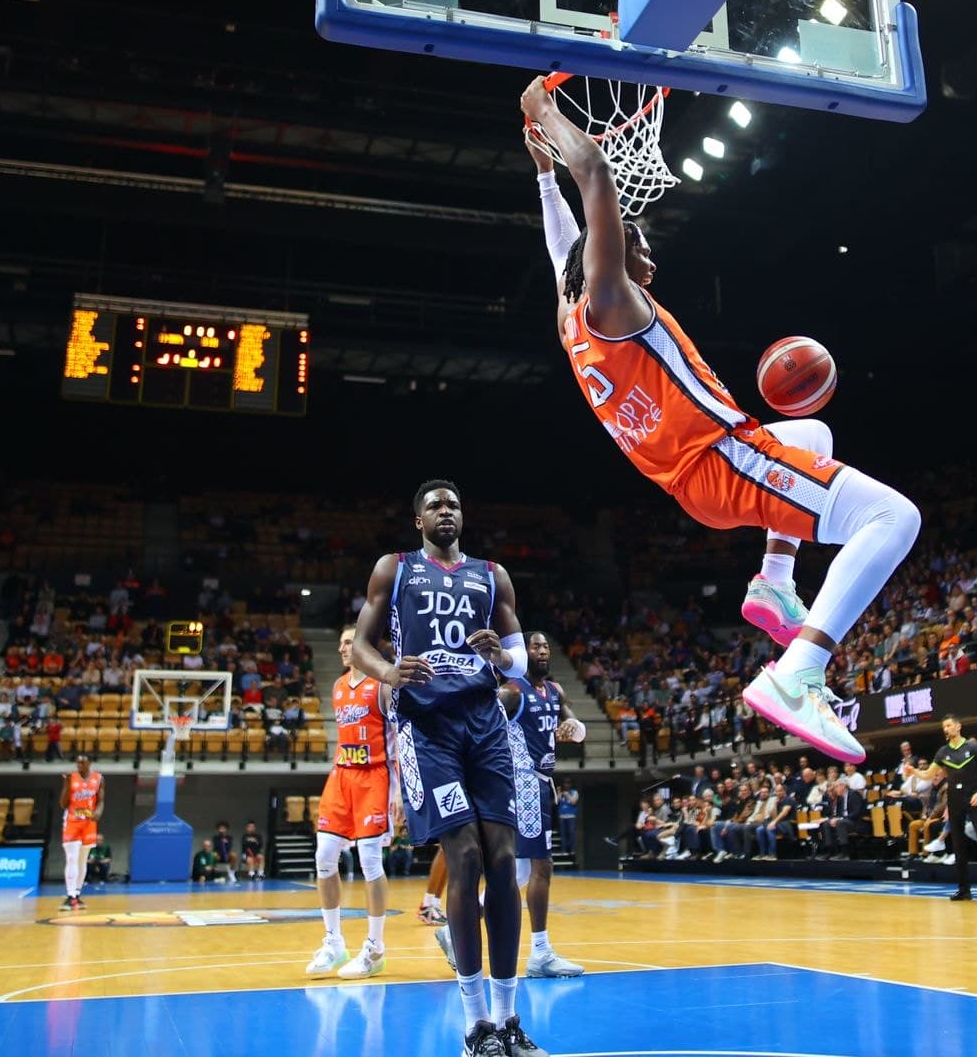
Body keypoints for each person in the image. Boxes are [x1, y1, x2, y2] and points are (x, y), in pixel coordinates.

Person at [526, 78, 921, 762]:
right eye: (636, 246)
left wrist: (537, 166)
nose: (649, 258)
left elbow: (562, 231)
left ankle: (773, 581)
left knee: (813, 435)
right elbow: (590, 173)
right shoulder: (614, 302)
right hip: (725, 458)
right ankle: (799, 674)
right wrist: (544, 114)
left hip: (695, 481)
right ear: (614, 256)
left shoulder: (572, 321)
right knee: (894, 519)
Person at [349, 480, 547, 1057]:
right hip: (427, 725)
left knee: (506, 859)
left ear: (464, 516)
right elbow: (363, 642)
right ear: (418, 521)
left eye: (454, 504)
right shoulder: (395, 569)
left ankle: (509, 1020)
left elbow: (517, 659)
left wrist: (501, 657)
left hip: (485, 723)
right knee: (462, 858)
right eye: (434, 505)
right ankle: (475, 1024)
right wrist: (387, 674)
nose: (445, 511)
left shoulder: (493, 575)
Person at [305, 625, 395, 981]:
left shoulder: (383, 685)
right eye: (341, 642)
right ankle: (334, 942)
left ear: (363, 646)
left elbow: (401, 741)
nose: (342, 648)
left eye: (347, 642)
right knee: (323, 857)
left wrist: (400, 793)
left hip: (375, 775)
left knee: (370, 861)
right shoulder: (339, 686)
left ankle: (375, 949)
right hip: (342, 774)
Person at [499, 632, 587, 978]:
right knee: (542, 867)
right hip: (522, 782)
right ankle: (540, 953)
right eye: (534, 646)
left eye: (546, 645)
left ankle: (454, 930)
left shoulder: (555, 690)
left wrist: (573, 726)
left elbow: (578, 731)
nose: (542, 650)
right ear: (522, 654)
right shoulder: (511, 692)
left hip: (542, 783)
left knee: (521, 873)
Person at [929, 715, 977, 901]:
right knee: (958, 845)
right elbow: (928, 774)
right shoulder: (942, 752)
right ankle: (964, 890)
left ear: (958, 726)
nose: (945, 729)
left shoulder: (972, 747)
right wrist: (913, 771)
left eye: (948, 725)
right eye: (943, 726)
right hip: (954, 801)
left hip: (974, 799)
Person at [58, 755, 104, 912]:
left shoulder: (98, 778)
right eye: (77, 762)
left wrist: (98, 811)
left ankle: (77, 894)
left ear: (89, 763)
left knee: (82, 860)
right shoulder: (71, 777)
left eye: (82, 762)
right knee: (72, 858)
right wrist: (66, 784)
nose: (79, 765)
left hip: (89, 822)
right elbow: (63, 804)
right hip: (72, 821)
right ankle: (70, 896)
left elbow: (101, 800)